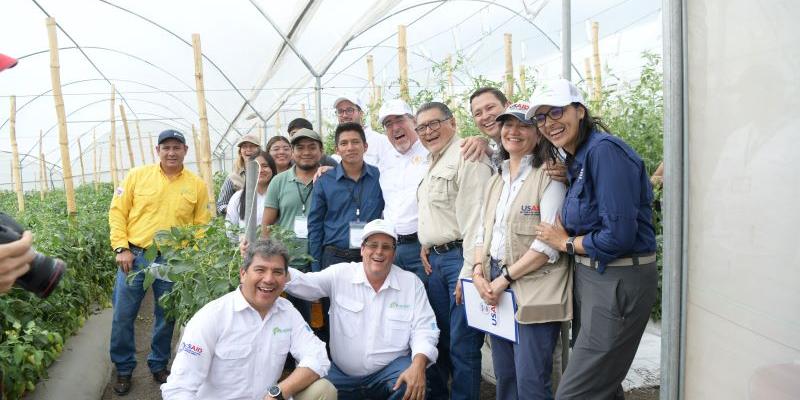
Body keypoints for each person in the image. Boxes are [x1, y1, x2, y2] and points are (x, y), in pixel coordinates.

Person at [528, 79, 658, 400]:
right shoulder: (579, 159)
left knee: (575, 393)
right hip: (592, 278)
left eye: (557, 111)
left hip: (617, 277)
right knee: (604, 384)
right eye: (541, 117)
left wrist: (565, 243)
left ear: (580, 111)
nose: (549, 123)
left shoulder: (604, 152)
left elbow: (619, 235)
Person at [472, 102, 571, 400]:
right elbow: (483, 232)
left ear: (538, 133)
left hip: (535, 287)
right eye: (507, 124)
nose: (513, 131)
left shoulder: (549, 177)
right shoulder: (495, 181)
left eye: (523, 125)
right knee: (506, 375)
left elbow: (547, 246)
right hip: (496, 284)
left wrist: (503, 279)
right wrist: (478, 271)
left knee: (531, 380)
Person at [161, 238, 336, 400]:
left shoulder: (287, 312)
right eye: (260, 270)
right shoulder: (212, 316)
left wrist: (279, 392)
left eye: (277, 272)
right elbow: (179, 389)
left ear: (285, 278)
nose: (268, 279)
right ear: (243, 273)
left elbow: (317, 356)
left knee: (323, 390)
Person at [284, 219, 438, 400]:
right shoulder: (340, 274)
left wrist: (418, 365)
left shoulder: (411, 283)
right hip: (342, 376)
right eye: (373, 245)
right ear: (362, 249)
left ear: (394, 253)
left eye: (386, 247)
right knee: (314, 389)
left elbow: (425, 329)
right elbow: (304, 284)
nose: (379, 252)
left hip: (388, 375)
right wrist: (273, 269)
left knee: (411, 383)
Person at [108, 129, 211, 395]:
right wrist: (121, 247)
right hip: (136, 256)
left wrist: (192, 257)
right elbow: (118, 212)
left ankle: (158, 364)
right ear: (158, 151)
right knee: (123, 314)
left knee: (167, 316)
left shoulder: (196, 185)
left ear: (185, 151)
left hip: (175, 261)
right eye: (166, 147)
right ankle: (123, 368)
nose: (171, 152)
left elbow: (202, 225)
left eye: (177, 147)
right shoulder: (136, 176)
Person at [416, 102, 492, 400]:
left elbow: (476, 219)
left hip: (460, 261)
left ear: (453, 122)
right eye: (422, 127)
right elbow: (442, 212)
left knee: (463, 344)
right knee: (442, 340)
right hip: (436, 261)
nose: (428, 131)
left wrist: (468, 271)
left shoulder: (467, 155)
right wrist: (427, 242)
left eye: (435, 123)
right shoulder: (433, 160)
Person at [258, 128, 327, 322]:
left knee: (322, 321)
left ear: (321, 151)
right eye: (300, 147)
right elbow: (267, 224)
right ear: (293, 152)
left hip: (320, 261)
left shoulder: (329, 179)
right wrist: (267, 259)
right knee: (290, 319)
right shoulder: (279, 182)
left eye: (312, 147)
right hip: (289, 263)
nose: (306, 152)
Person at [308, 122, 384, 273]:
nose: (350, 147)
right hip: (334, 258)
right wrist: (315, 269)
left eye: (355, 142)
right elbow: (315, 227)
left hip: (370, 257)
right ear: (337, 149)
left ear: (365, 146)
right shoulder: (324, 181)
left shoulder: (379, 177)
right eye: (344, 143)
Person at [225, 150, 277, 236]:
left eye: (265, 166)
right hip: (245, 248)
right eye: (256, 166)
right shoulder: (238, 197)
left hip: (275, 248)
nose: (260, 170)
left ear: (272, 169)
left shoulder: (279, 195)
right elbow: (230, 229)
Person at [333, 94, 392, 167]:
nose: (344, 115)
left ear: (361, 113)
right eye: (340, 111)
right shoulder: (337, 147)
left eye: (349, 110)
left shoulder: (382, 141)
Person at [217, 133, 262, 215]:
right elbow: (221, 204)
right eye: (244, 147)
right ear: (240, 152)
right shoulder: (233, 177)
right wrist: (235, 209)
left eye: (252, 146)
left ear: (259, 150)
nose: (248, 149)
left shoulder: (267, 172)